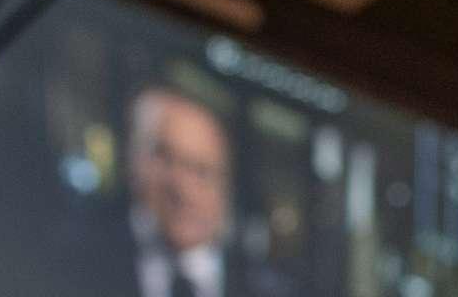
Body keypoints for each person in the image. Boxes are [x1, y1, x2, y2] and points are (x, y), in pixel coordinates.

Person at [48, 82, 295, 297]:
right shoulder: (70, 259)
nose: (183, 190)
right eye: (165, 158)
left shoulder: (270, 292)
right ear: (132, 158)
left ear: (226, 186)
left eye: (202, 171)